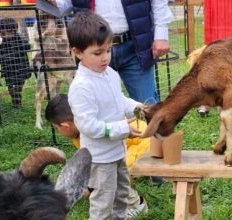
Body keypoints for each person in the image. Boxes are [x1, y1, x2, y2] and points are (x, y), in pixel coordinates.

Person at [66, 12, 144, 219]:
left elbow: (119, 101)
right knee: (102, 201)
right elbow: (87, 125)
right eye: (98, 52)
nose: (105, 57)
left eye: (108, 50)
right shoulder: (81, 86)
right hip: (99, 159)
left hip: (117, 152)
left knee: (121, 195)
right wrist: (122, 129)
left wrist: (137, 108)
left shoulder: (110, 74)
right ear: (78, 52)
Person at [45, 94, 150, 219]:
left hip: (142, 143)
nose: (59, 132)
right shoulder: (81, 128)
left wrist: (90, 186)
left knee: (110, 174)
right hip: (128, 145)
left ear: (65, 126)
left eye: (57, 129)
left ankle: (136, 205)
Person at [49, 0, 173, 104]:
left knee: (147, 105)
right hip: (93, 50)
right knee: (99, 108)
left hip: (134, 47)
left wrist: (161, 33)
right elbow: (65, 4)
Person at [0, 17, 31, 108]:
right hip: (9, 71)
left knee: (18, 87)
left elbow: (27, 46)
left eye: (3, 33)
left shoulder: (20, 40)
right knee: (11, 88)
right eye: (0, 33)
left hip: (21, 69)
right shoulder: (4, 42)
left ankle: (17, 104)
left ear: (12, 31)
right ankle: (15, 101)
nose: (1, 36)